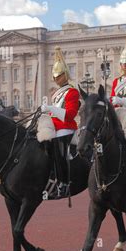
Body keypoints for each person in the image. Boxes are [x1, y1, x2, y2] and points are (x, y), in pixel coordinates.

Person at [41, 47, 80, 199]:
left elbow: (70, 115)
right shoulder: (56, 94)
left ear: (65, 75)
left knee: (59, 149)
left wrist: (50, 108)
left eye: (59, 76)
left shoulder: (72, 92)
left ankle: (64, 183)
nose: (56, 79)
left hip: (66, 128)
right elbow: (53, 114)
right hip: (54, 127)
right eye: (55, 76)